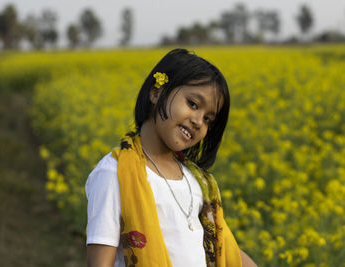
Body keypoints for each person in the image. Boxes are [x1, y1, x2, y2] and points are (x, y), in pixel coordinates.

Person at [85, 48, 258, 267]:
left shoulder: (198, 181)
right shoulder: (113, 174)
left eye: (208, 119)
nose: (198, 121)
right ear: (156, 92)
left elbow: (223, 247)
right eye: (192, 104)